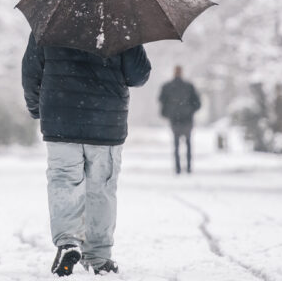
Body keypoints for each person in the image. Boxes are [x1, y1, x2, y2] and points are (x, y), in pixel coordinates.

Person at [22, 33, 151, 277]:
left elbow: (31, 70)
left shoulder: (51, 20)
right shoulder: (120, 21)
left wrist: (37, 108)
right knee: (101, 189)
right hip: (106, 121)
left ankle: (68, 242)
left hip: (60, 120)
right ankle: (99, 257)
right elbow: (138, 75)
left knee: (63, 182)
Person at [158, 65, 202, 174]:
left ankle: (178, 168)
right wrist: (189, 110)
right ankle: (188, 168)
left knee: (176, 144)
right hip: (186, 119)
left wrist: (169, 113)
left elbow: (162, 101)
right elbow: (197, 103)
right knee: (187, 143)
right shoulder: (188, 86)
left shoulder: (168, 86)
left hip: (175, 119)